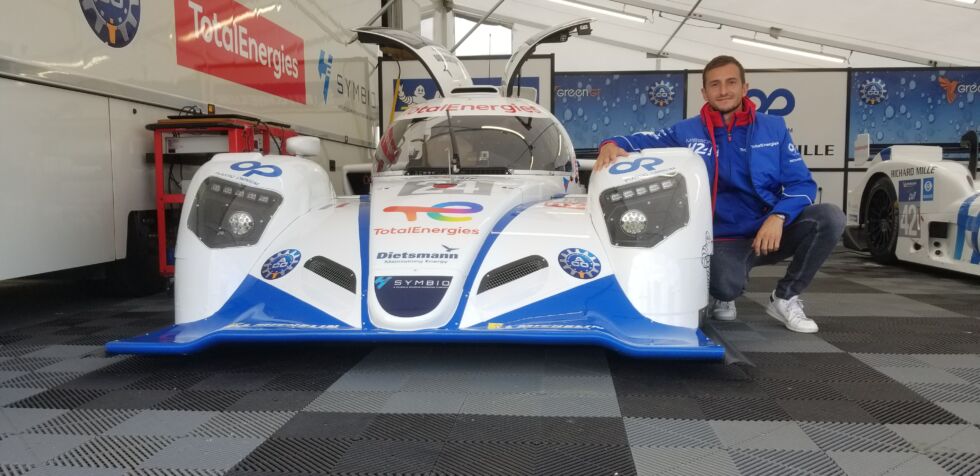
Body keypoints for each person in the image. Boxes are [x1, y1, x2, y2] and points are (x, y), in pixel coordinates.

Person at [593, 55, 845, 333]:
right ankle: (723, 295)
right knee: (726, 287)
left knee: (829, 217)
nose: (723, 91)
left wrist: (779, 216)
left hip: (769, 229)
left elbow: (802, 184)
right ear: (704, 92)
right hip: (722, 238)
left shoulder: (774, 127)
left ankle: (785, 297)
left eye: (730, 82)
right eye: (715, 84)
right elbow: (644, 140)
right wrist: (610, 143)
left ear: (745, 87)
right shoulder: (686, 131)